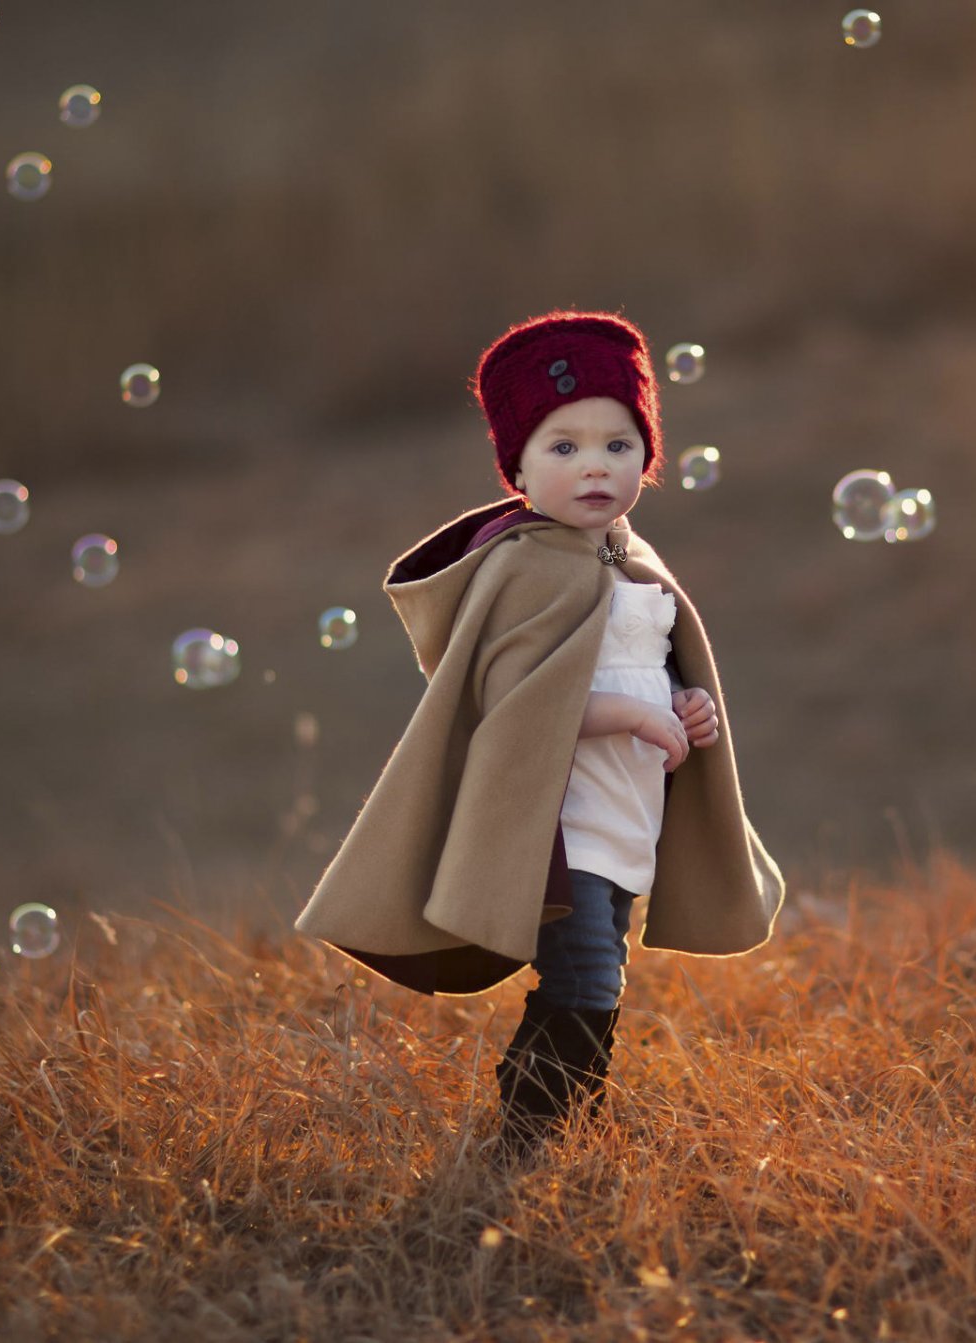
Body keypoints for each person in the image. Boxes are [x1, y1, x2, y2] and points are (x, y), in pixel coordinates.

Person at [292, 310, 785, 1165]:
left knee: (601, 974)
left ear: (648, 457)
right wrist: (634, 716)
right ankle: (535, 1129)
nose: (595, 464)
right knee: (585, 973)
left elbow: (650, 670)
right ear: (516, 467)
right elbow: (514, 707)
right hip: (557, 830)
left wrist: (688, 706)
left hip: (627, 815)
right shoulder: (522, 567)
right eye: (563, 447)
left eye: (619, 444)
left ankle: (549, 1123)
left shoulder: (633, 562)